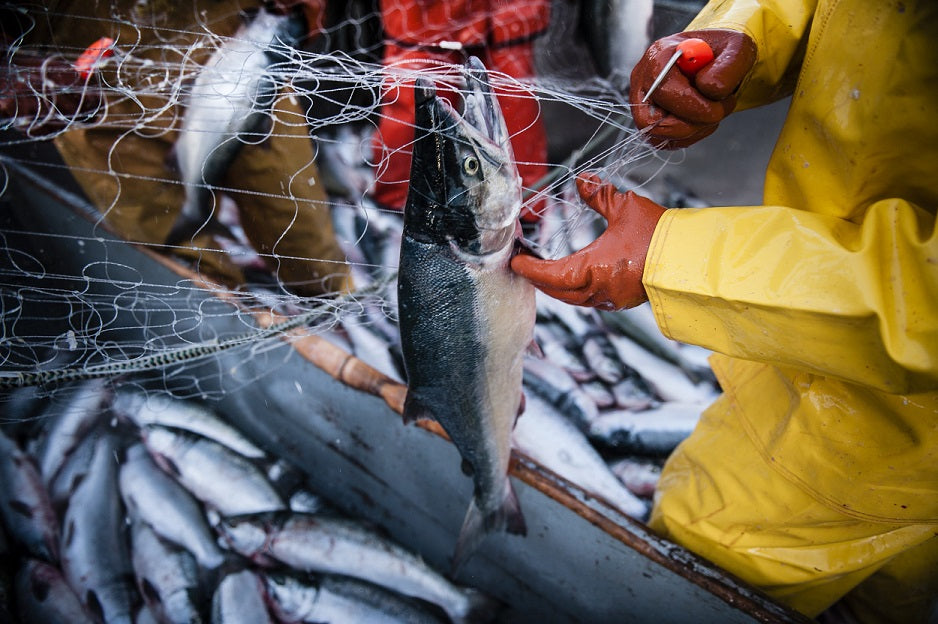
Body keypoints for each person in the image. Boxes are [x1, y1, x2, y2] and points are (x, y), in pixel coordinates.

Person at [511, 1, 938, 621]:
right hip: (807, 336)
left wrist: (670, 257)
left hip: (884, 434)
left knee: (679, 575)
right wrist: (738, 36)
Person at [1, 0, 349, 298]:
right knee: (194, 274)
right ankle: (238, 351)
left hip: (233, 40)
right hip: (92, 86)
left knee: (310, 249)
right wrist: (7, 71)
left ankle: (339, 315)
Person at [371, 0, 550, 221]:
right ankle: (395, 217)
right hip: (437, 17)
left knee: (511, 99)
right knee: (419, 99)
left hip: (490, 16)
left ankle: (523, 219)